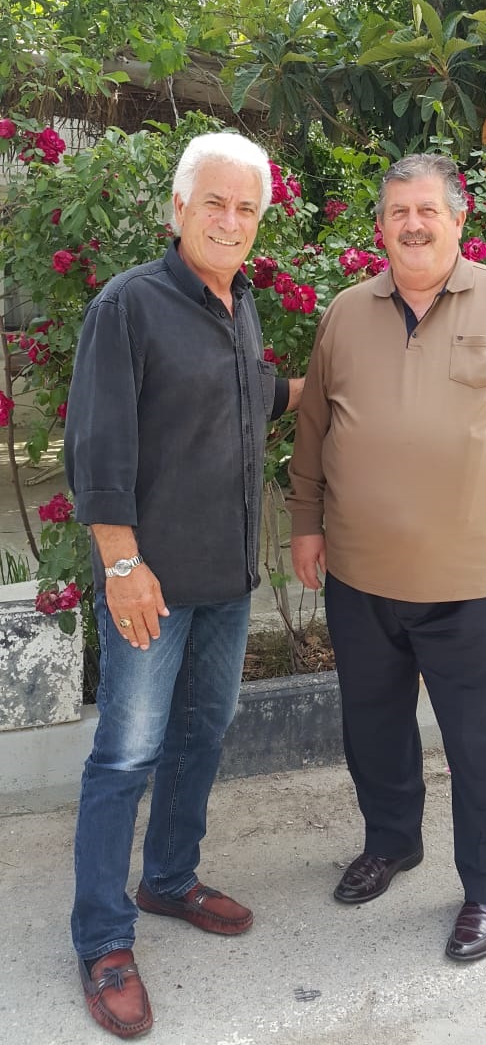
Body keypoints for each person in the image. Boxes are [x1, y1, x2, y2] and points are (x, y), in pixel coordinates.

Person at [288, 153, 486, 963]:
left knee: (483, 741)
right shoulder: (345, 313)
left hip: (475, 578)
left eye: (427, 210)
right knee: (372, 727)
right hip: (360, 573)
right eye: (398, 213)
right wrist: (306, 523)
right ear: (379, 227)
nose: (412, 225)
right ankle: (391, 841)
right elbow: (313, 430)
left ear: (458, 219)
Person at [65, 132, 302, 1038]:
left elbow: (247, 398)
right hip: (150, 586)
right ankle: (102, 938)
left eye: (246, 208)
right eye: (214, 202)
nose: (230, 221)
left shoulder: (239, 303)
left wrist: (335, 383)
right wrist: (122, 566)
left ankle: (167, 879)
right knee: (126, 757)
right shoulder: (128, 305)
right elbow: (97, 447)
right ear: (178, 208)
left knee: (203, 733)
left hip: (225, 580)